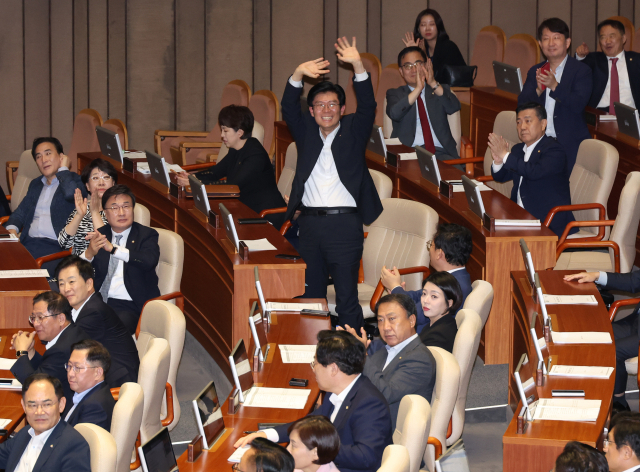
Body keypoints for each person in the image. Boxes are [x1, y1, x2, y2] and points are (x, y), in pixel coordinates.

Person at [282, 37, 383, 331]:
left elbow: (367, 104)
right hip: (310, 226)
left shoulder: (353, 130)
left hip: (345, 226)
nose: (326, 110)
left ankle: (352, 359)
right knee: (313, 296)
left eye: (333, 104)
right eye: (320, 105)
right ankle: (312, 355)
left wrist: (357, 64)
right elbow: (289, 107)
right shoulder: (306, 133)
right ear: (311, 111)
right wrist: (298, 73)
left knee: (346, 298)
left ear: (341, 108)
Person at [235, 330, 392, 472]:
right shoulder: (337, 392)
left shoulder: (369, 403)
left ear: (333, 369)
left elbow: (366, 458)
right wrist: (268, 434)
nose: (313, 369)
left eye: (315, 363)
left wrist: (315, 450)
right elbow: (308, 425)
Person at [176, 105, 286, 228]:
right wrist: (192, 177)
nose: (222, 135)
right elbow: (215, 172)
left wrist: (194, 183)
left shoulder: (255, 155)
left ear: (239, 132)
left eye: (225, 130)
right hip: (245, 211)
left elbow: (232, 186)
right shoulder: (236, 149)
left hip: (266, 217)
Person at [489, 102, 576, 238]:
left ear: (543, 124)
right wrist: (499, 161)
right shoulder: (518, 149)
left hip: (547, 222)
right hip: (518, 216)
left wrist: (505, 155)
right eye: (518, 122)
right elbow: (501, 177)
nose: (522, 127)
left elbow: (533, 172)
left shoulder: (554, 150)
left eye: (528, 121)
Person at [81, 184, 160, 334]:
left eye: (126, 206)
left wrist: (114, 249)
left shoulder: (147, 235)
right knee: (72, 323)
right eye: (115, 208)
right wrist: (89, 254)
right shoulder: (101, 234)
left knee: (108, 330)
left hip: (130, 305)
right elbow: (78, 270)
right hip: (99, 300)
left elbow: (149, 261)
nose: (122, 212)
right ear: (105, 212)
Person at [349, 293, 436, 430]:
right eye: (380, 320)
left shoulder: (419, 358)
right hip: (362, 417)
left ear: (412, 320)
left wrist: (362, 356)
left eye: (392, 319)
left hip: (382, 433)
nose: (385, 327)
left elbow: (385, 394)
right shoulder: (387, 349)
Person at [518, 18, 592, 172]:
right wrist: (538, 90)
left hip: (569, 146)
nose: (551, 43)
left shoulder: (581, 71)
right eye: (546, 39)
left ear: (567, 42)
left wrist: (554, 87)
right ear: (540, 44)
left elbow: (578, 104)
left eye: (556, 38)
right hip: (539, 144)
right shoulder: (535, 71)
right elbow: (521, 106)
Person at [4, 137, 86, 271]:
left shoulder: (76, 181)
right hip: (27, 244)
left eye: (48, 153)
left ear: (61, 157)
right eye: (38, 156)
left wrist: (64, 169)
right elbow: (20, 212)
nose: (44, 160)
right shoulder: (36, 184)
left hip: (55, 249)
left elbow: (70, 195)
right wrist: (12, 230)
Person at [57, 255, 139, 387]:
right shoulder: (84, 306)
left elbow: (66, 352)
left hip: (117, 382)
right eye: (61, 283)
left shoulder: (93, 312)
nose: (66, 289)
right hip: (101, 371)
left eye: (71, 282)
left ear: (89, 284)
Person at [564, 269, 640, 411]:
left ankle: (619, 404)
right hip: (636, 322)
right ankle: (588, 393)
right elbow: (634, 280)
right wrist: (596, 276)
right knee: (595, 337)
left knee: (613, 351)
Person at [381, 223, 473, 329]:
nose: (429, 251)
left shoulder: (452, 285)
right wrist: (399, 292)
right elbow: (418, 295)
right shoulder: (459, 276)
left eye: (431, 245)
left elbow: (414, 314)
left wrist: (394, 287)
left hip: (424, 340)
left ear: (439, 253)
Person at [10, 291, 88, 413]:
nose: (35, 323)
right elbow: (46, 370)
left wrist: (21, 352)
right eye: (33, 318)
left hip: (67, 414)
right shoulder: (72, 333)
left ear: (61, 318)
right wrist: (30, 352)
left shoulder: (62, 349)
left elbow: (36, 387)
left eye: (41, 318)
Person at [0, 374, 90, 472]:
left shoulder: (74, 446)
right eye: (32, 405)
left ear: (61, 404)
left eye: (47, 404)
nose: (39, 412)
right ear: (24, 406)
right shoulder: (26, 433)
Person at [386, 46, 461, 160]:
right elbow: (394, 114)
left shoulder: (439, 89)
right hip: (408, 154)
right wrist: (417, 89)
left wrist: (433, 83)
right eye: (408, 66)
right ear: (401, 71)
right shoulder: (395, 94)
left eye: (418, 64)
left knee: (455, 176)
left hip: (441, 154)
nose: (414, 70)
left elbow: (454, 107)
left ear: (426, 65)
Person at [576, 19, 640, 112]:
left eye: (612, 36)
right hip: (598, 114)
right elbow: (577, 72)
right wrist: (580, 56)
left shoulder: (636, 60)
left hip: (630, 114)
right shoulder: (594, 59)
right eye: (603, 37)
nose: (607, 41)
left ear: (623, 39)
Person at [59, 158, 117, 255]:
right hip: (78, 265)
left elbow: (108, 248)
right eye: (95, 178)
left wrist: (94, 213)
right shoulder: (83, 207)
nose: (101, 183)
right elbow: (64, 244)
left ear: (113, 183)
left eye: (106, 177)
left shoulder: (118, 210)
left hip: (103, 267)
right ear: (88, 186)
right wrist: (79, 215)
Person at [401, 9, 467, 85]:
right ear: (418, 29)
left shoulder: (448, 47)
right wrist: (414, 53)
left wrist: (424, 56)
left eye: (431, 24)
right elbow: (414, 77)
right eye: (423, 25)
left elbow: (438, 78)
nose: (427, 29)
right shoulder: (422, 47)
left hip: (452, 90)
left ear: (438, 27)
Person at [64, 339, 116, 431]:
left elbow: (77, 444)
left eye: (77, 368)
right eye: (69, 366)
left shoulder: (95, 408)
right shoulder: (83, 392)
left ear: (98, 373)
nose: (70, 373)